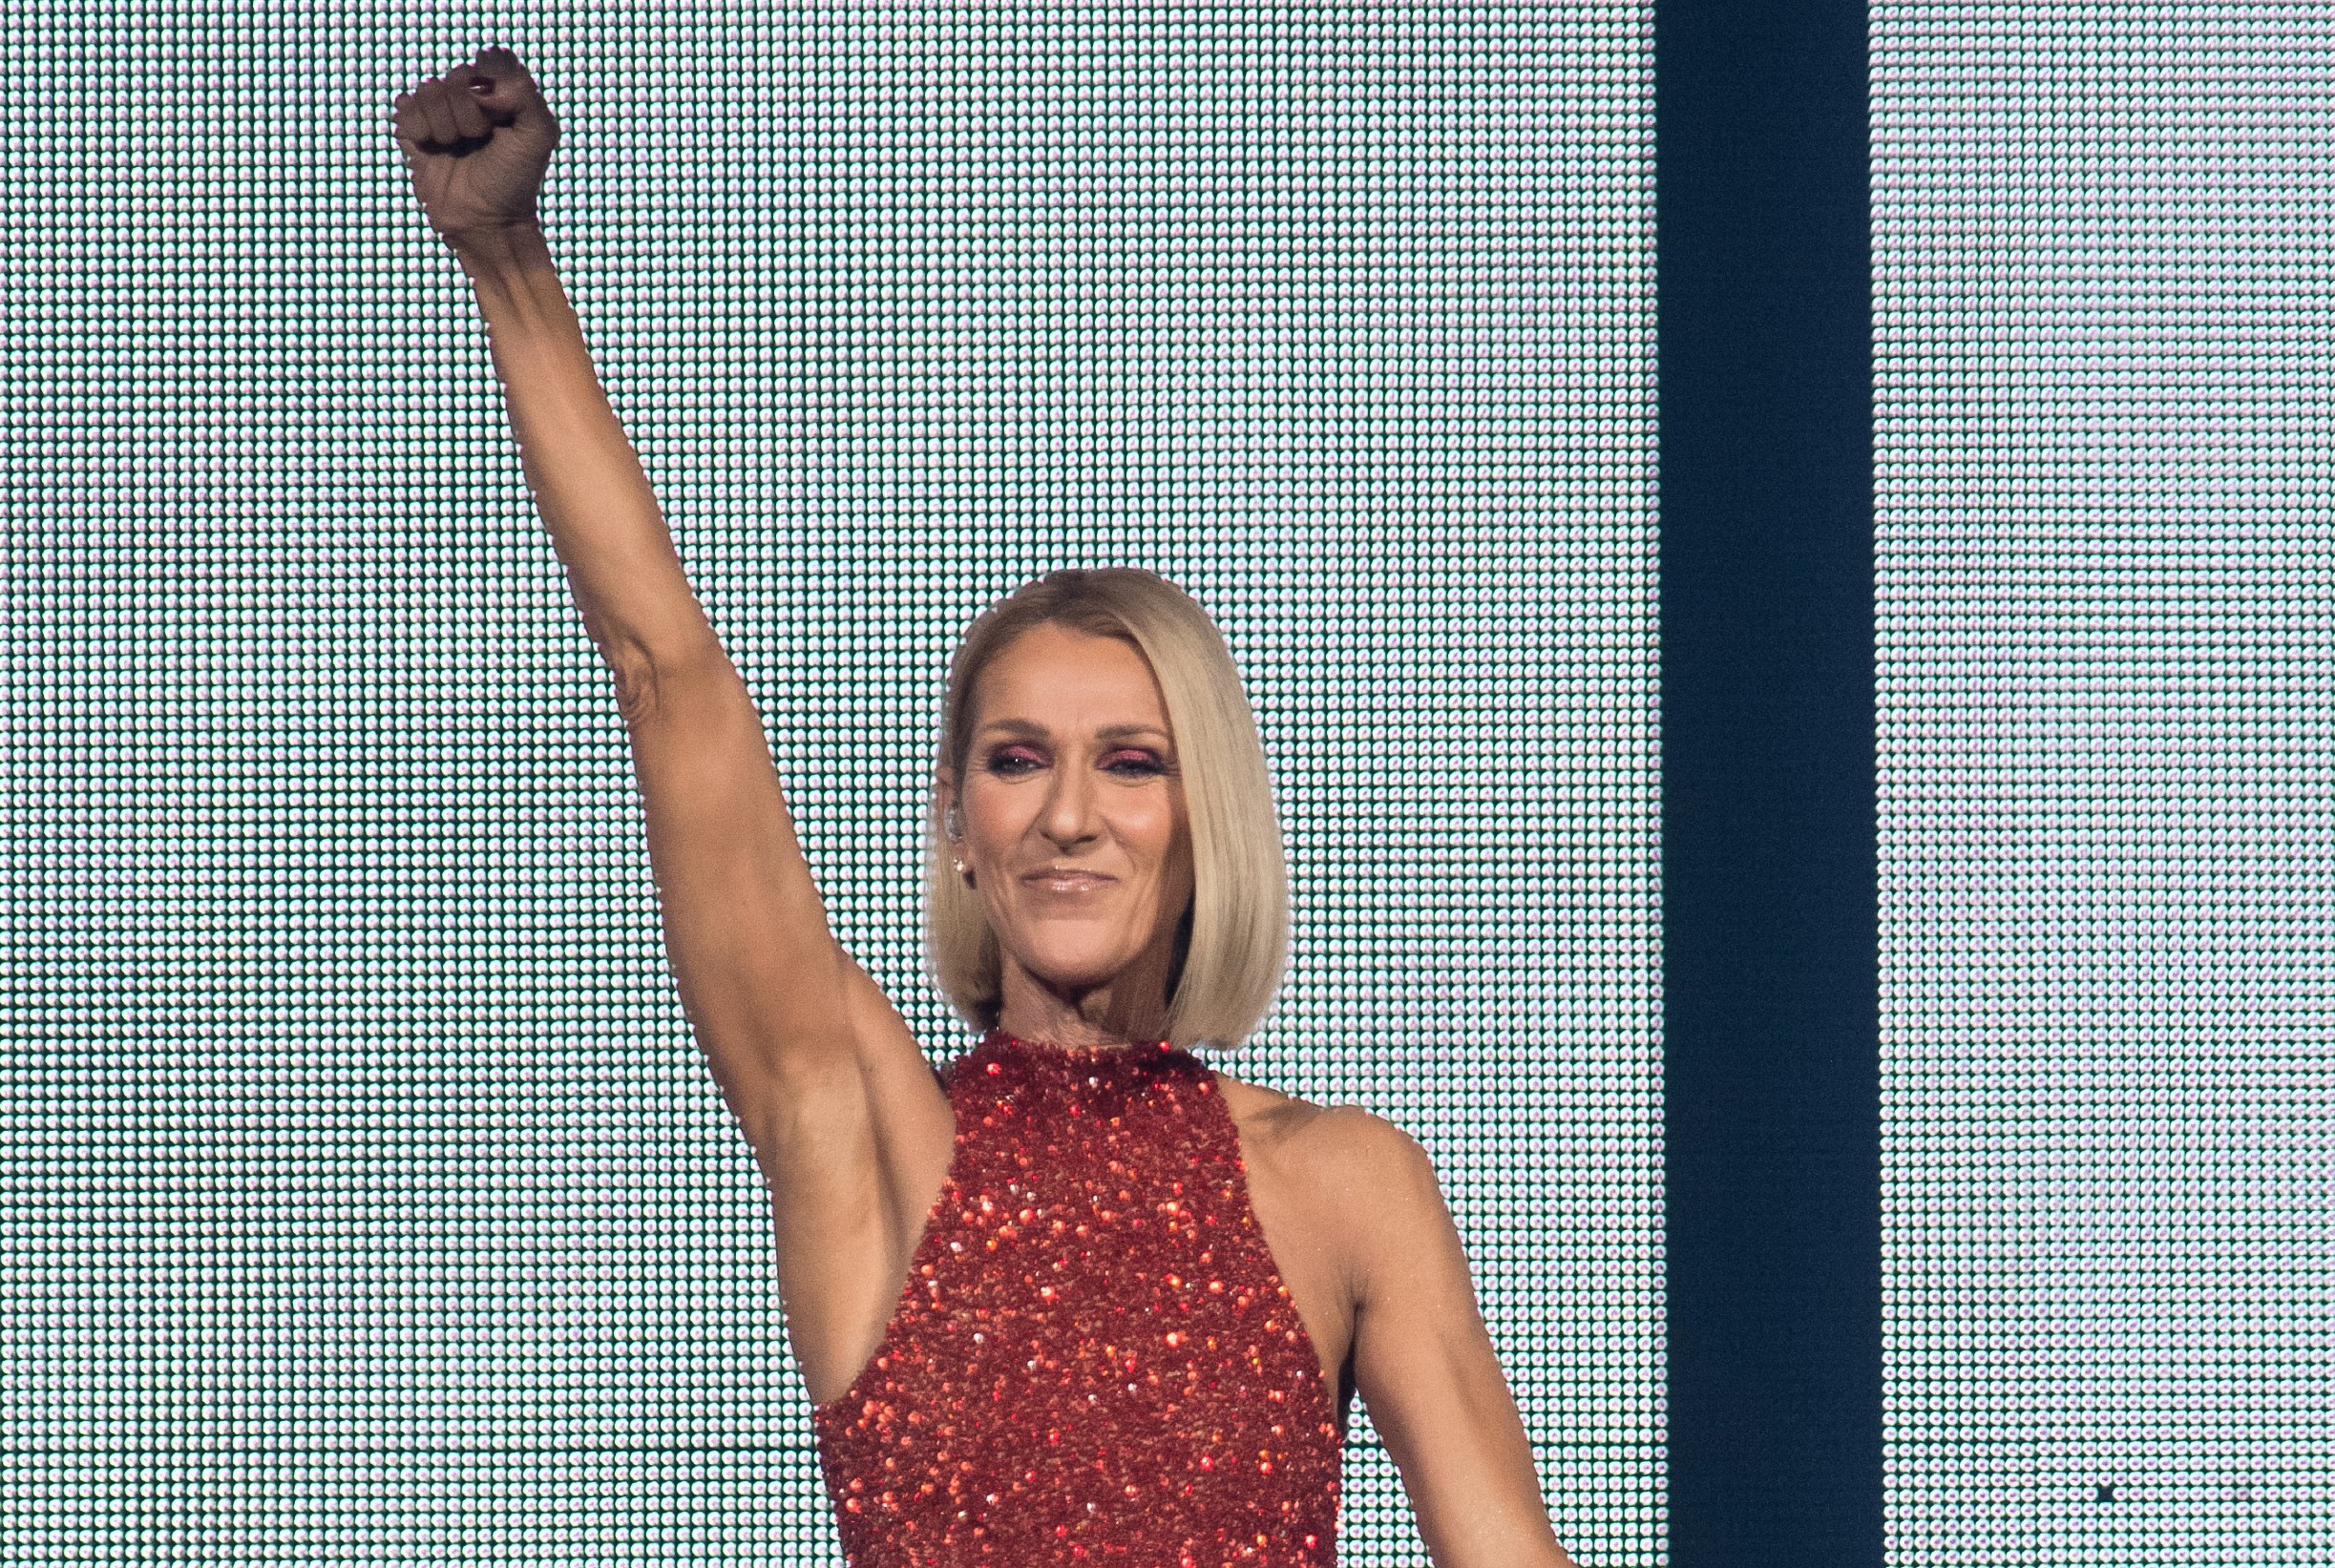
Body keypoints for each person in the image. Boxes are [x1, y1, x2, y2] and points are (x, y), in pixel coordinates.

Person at [391, 47, 1580, 1568]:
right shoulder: (866, 1133)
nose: (1069, 815)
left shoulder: (1349, 1186)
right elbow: (667, 674)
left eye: (1131, 763)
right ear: (958, 823)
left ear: (1204, 819)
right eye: (1017, 761)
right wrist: (505, 259)